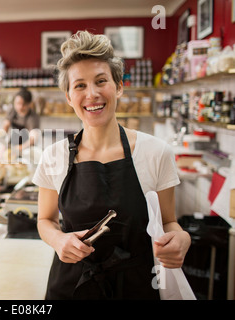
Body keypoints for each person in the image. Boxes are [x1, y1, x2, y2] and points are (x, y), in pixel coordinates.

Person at [32, 30, 191, 300]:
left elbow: (169, 222)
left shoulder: (156, 152)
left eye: (101, 81)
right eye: (79, 85)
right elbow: (45, 220)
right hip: (72, 285)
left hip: (136, 285)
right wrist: (59, 240)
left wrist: (182, 239)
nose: (92, 94)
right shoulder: (53, 156)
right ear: (69, 97)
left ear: (118, 86)